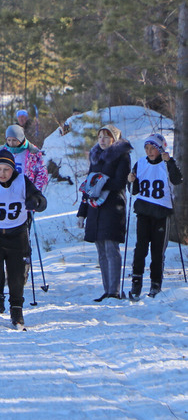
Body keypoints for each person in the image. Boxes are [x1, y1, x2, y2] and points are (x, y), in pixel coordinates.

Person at [0, 149, 47, 328]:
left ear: (13, 170)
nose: (2, 174)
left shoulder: (22, 181)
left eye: (6, 169)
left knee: (17, 274)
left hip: (17, 234)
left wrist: (35, 202)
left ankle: (17, 310)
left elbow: (41, 200)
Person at [78, 124, 133, 302]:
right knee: (101, 250)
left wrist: (99, 183)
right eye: (100, 136)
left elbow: (119, 182)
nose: (102, 140)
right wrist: (82, 212)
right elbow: (88, 185)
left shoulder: (122, 157)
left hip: (112, 208)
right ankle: (107, 289)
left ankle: (115, 290)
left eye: (106, 136)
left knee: (111, 248)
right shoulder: (95, 157)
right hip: (95, 209)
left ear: (114, 139)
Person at [127, 134, 182, 299]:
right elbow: (133, 191)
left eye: (153, 148)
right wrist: (131, 180)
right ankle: (136, 283)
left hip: (161, 212)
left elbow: (177, 180)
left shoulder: (166, 164)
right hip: (144, 211)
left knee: (157, 251)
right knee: (140, 249)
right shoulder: (141, 163)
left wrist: (169, 161)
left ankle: (155, 284)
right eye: (147, 148)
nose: (149, 151)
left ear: (160, 149)